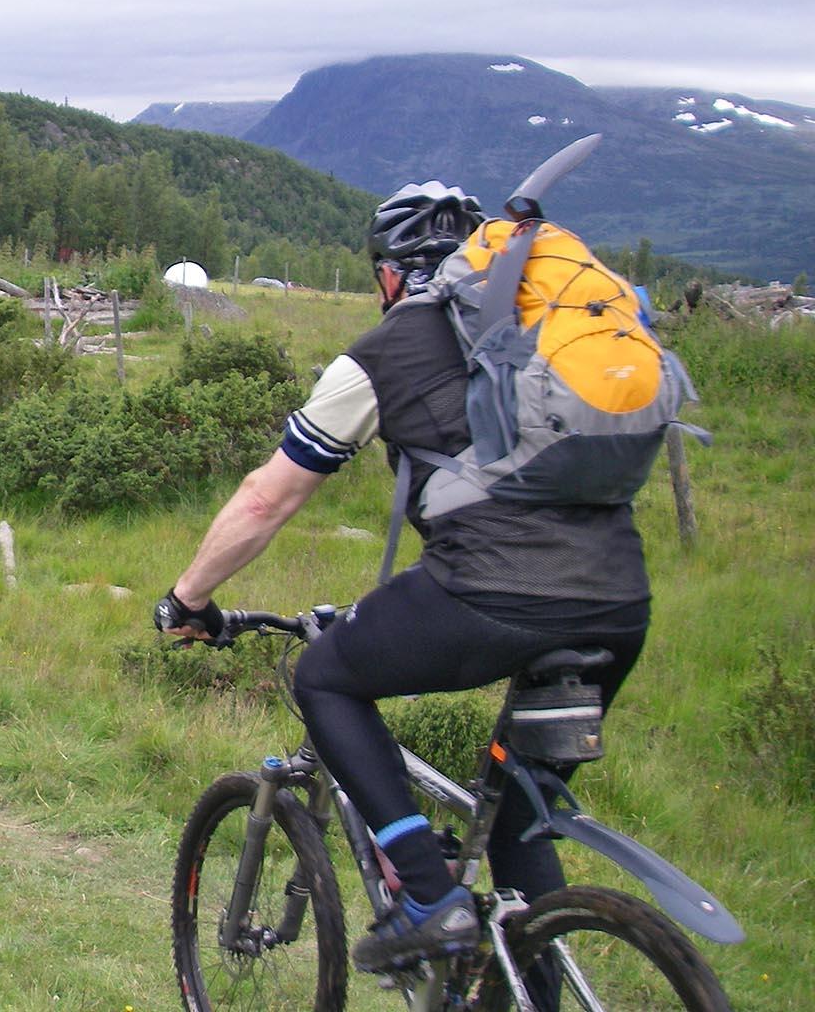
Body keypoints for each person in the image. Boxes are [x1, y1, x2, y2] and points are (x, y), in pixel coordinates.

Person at [154, 181, 650, 976]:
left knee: (324, 677)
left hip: (490, 595)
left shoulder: (389, 349)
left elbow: (266, 498)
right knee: (520, 813)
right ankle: (523, 974)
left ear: (391, 274)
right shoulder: (545, 342)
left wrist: (189, 598)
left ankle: (427, 896)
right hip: (620, 603)